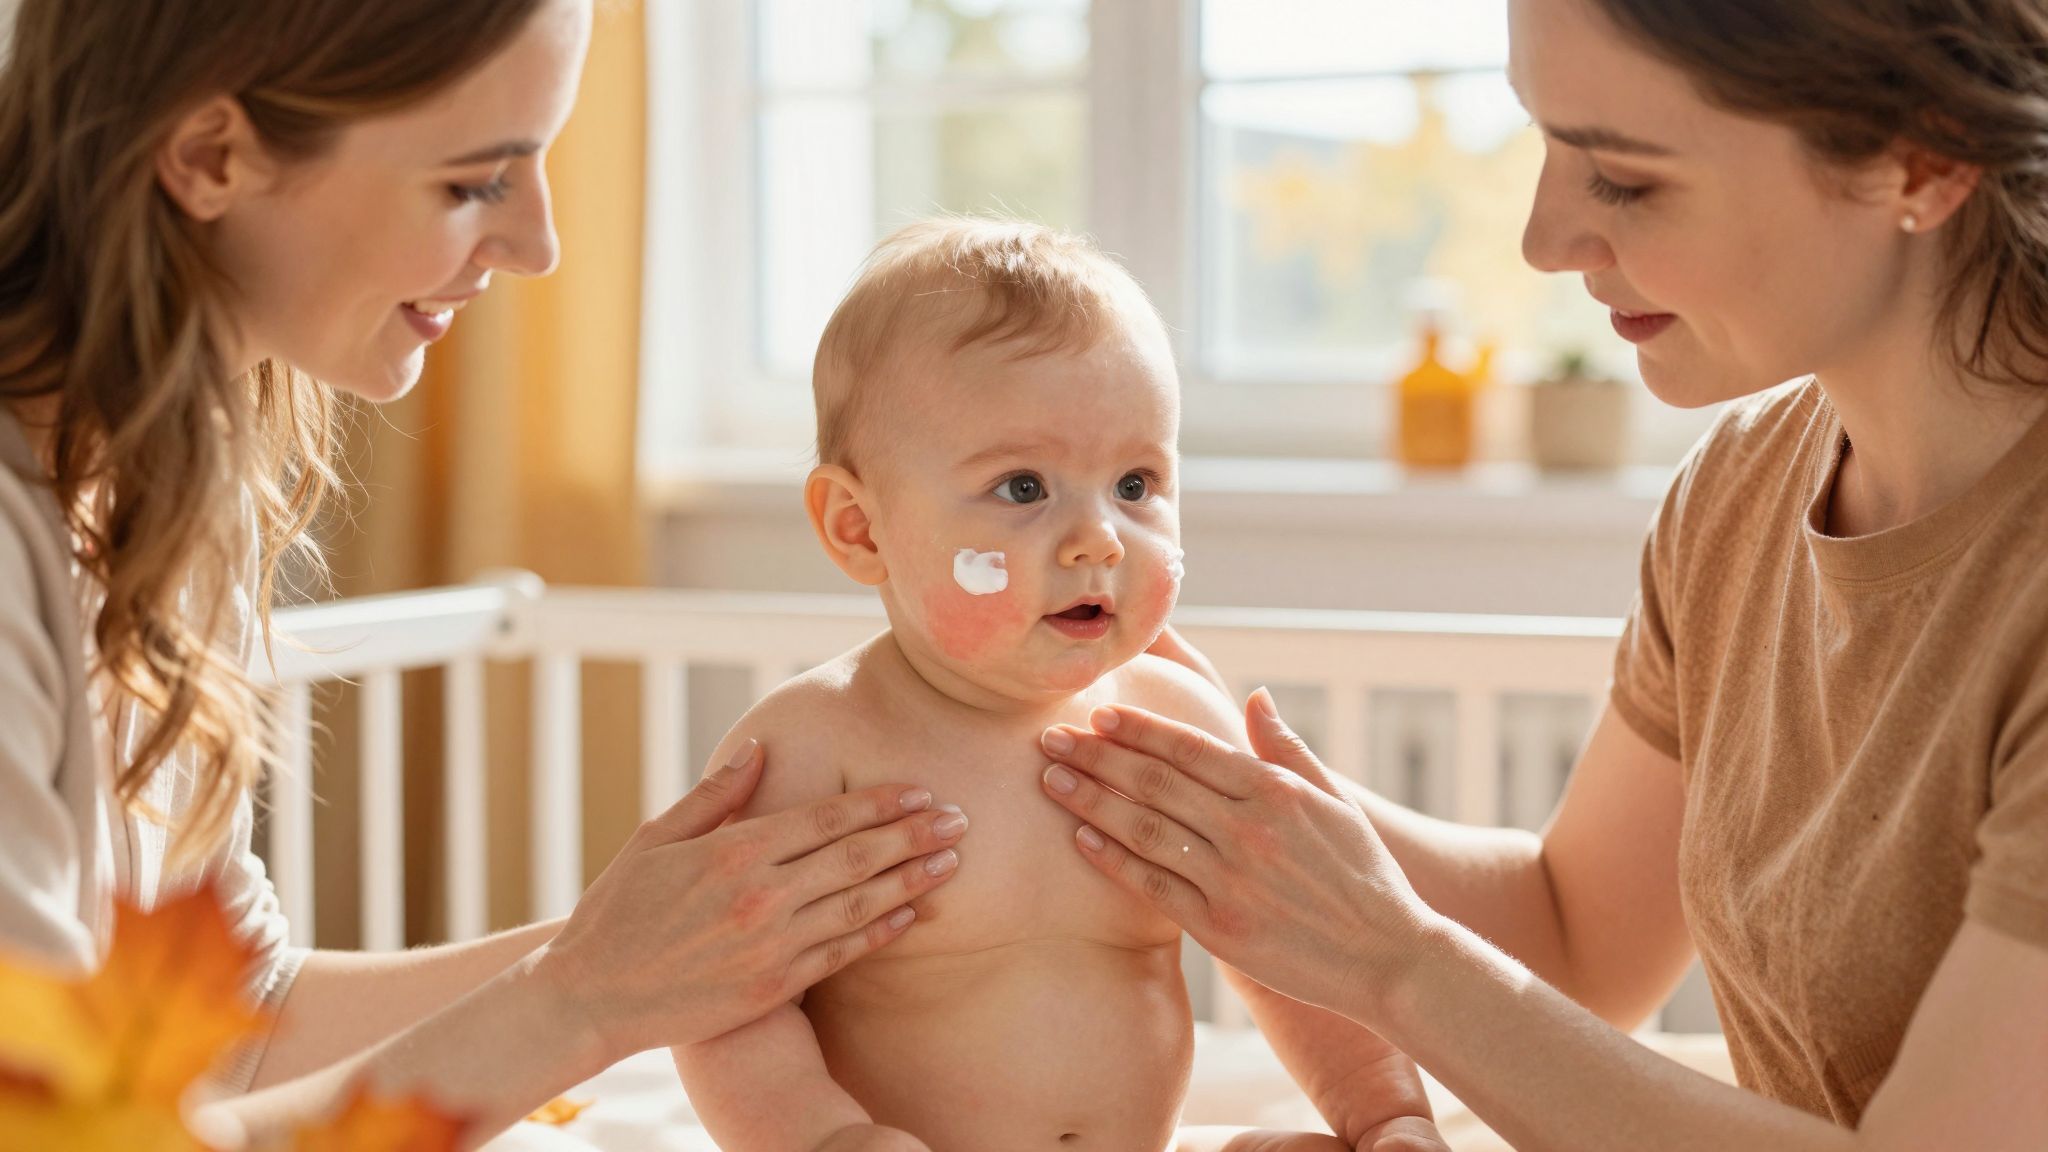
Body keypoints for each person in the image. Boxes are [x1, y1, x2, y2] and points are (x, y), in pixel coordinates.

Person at [1035, 0, 2048, 1147]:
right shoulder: (1741, 489)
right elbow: (1574, 944)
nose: (1543, 236)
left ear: (1920, 158)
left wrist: (1396, 964)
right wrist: (1174, 757)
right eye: (1544, 142)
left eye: (1620, 177)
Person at [0, 2, 967, 1146]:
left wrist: (688, 944)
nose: (538, 245)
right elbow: (60, 1131)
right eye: (472, 183)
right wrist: (581, 1000)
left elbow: (229, 1024)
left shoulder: (149, 495)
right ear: (211, 156)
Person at [672, 219, 1442, 1152]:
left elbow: (1294, 953)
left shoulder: (1173, 729)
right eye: (1024, 488)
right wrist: (825, 1138)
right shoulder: (812, 749)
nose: (1100, 538)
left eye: (1135, 482)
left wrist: (1384, 1110)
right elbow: (721, 1001)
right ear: (860, 529)